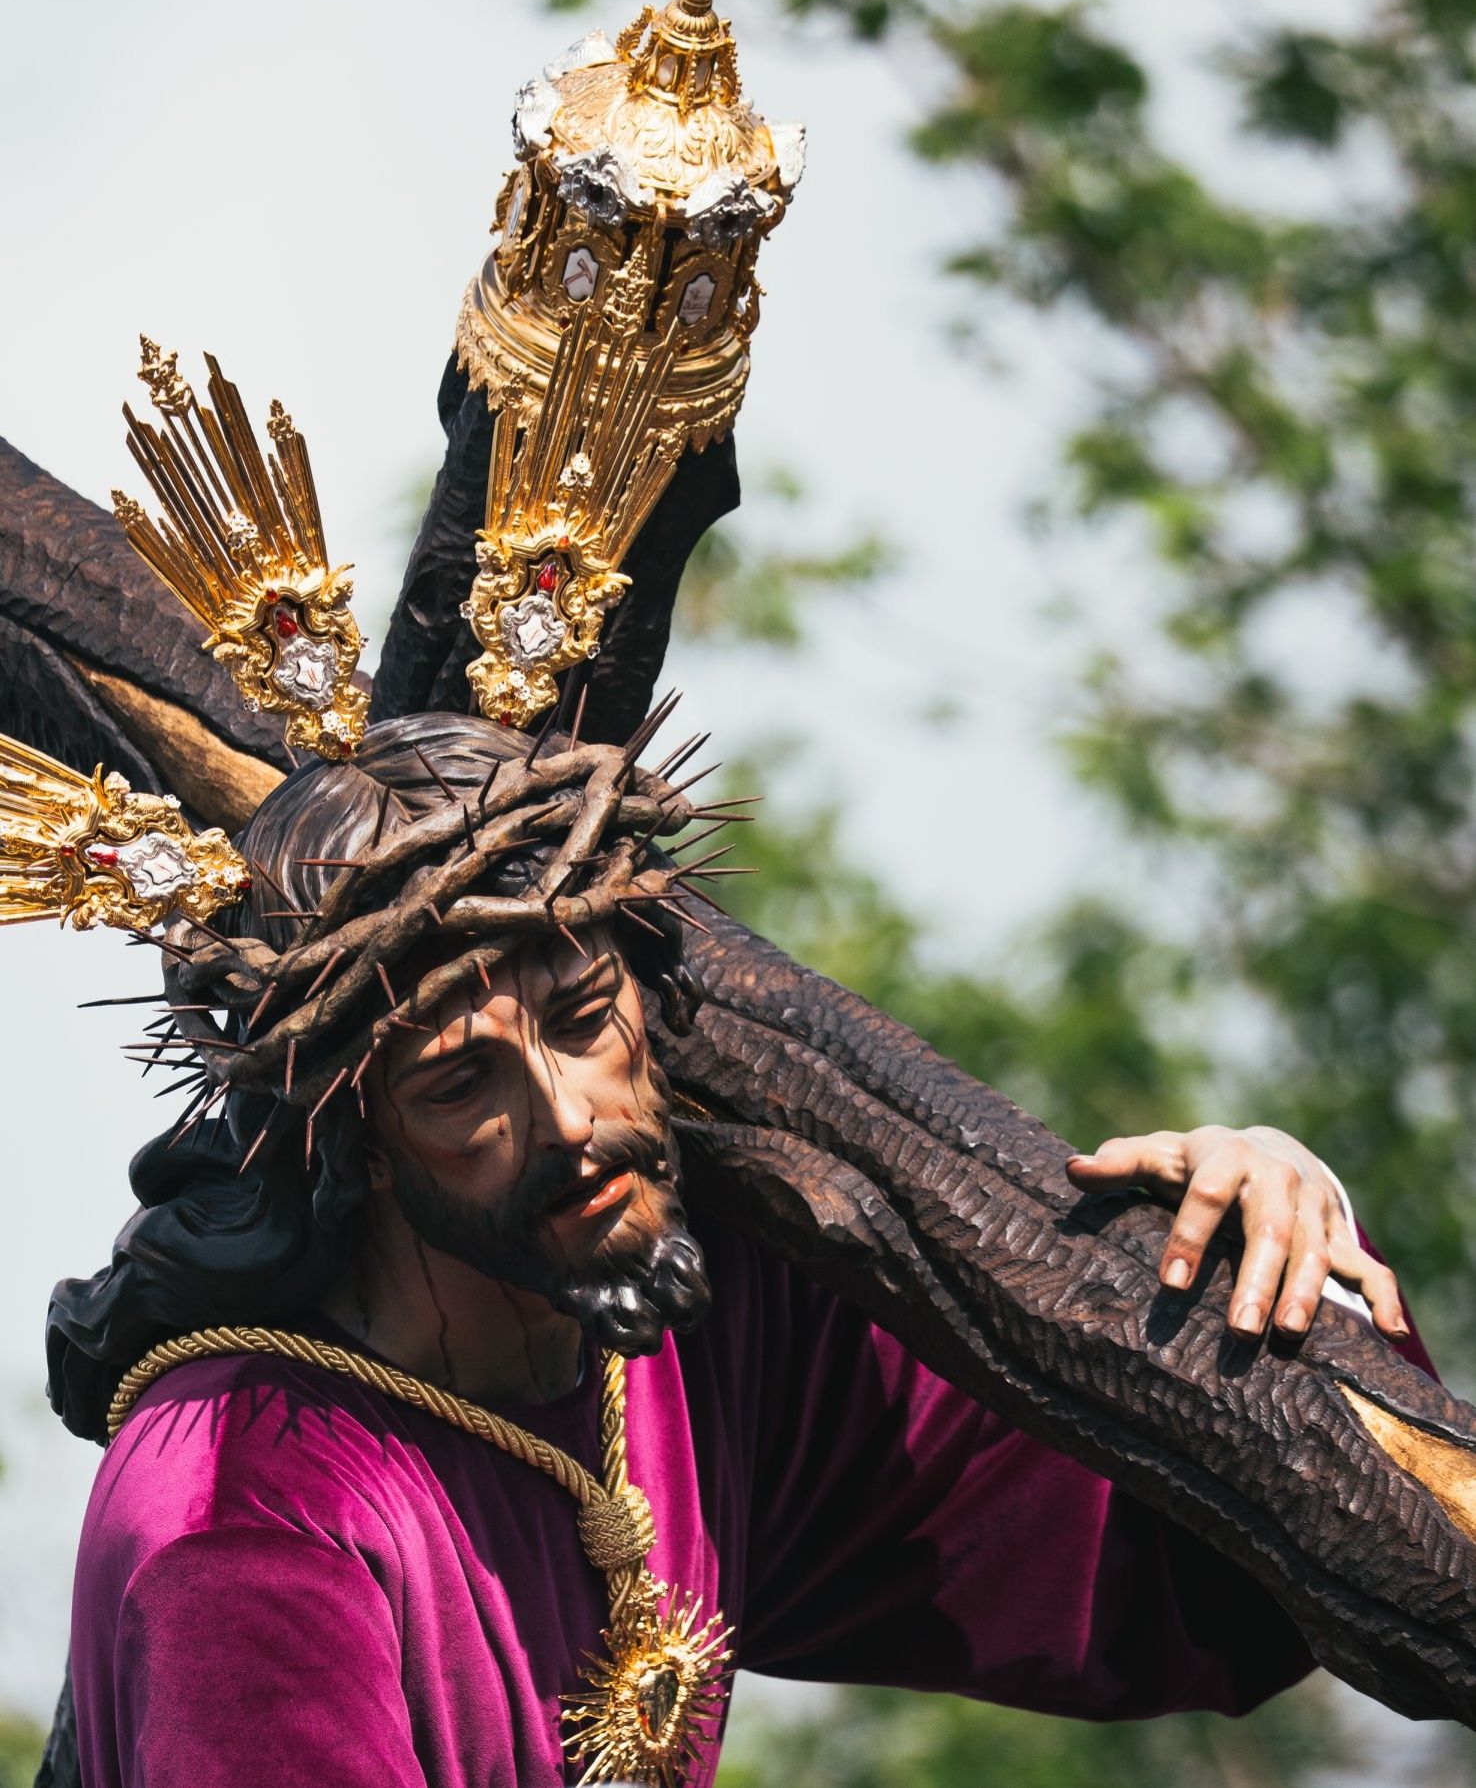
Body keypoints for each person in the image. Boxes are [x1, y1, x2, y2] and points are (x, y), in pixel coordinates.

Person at [46, 714, 1416, 1788]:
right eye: (463, 1087)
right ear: (356, 1141)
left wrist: (1260, 1254)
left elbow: (1196, 1588)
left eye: (585, 1014)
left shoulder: (678, 1321)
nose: (572, 1118)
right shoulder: (244, 1517)